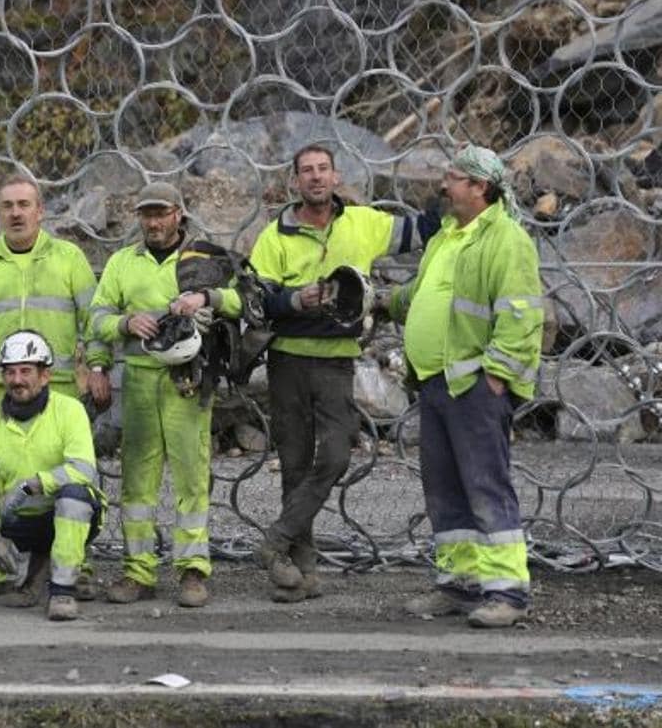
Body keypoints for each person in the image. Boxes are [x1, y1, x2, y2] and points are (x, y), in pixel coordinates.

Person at [247, 144, 439, 602]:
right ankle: (302, 571)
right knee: (294, 465)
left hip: (335, 361)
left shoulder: (365, 223)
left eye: (323, 170)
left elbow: (422, 230)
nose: (315, 178)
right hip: (288, 360)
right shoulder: (275, 236)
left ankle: (275, 541)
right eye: (306, 171)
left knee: (335, 455)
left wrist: (444, 189)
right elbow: (257, 301)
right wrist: (297, 299)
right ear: (295, 181)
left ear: (336, 177)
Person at [383, 144, 543, 628]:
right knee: (445, 488)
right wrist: (378, 301)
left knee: (485, 485)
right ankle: (458, 584)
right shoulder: (449, 235)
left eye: (453, 178)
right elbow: (420, 294)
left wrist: (497, 374)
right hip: (437, 383)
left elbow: (520, 312)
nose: (444, 185)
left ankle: (508, 592)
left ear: (480, 187)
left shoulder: (506, 240)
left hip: (473, 385)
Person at [86, 182, 241, 608]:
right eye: (147, 214)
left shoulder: (202, 259)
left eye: (162, 213)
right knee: (137, 480)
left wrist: (204, 297)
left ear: (179, 214)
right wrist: (124, 324)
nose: (154, 222)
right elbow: (96, 316)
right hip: (138, 379)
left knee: (192, 477)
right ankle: (138, 573)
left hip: (187, 380)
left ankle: (192, 572)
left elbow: (240, 300)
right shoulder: (122, 262)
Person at [0, 330, 103, 622]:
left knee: (75, 496)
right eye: (10, 372)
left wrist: (31, 485)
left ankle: (62, 590)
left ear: (45, 376)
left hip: (62, 514)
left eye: (26, 371)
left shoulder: (70, 411)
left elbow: (84, 469)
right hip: (16, 519)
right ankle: (15, 571)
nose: (17, 380)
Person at [0, 173, 98, 422]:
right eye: (7, 206)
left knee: (57, 461)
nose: (16, 213)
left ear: (40, 211)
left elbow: (95, 321)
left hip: (56, 389)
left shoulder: (70, 258)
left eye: (24, 205)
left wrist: (97, 367)